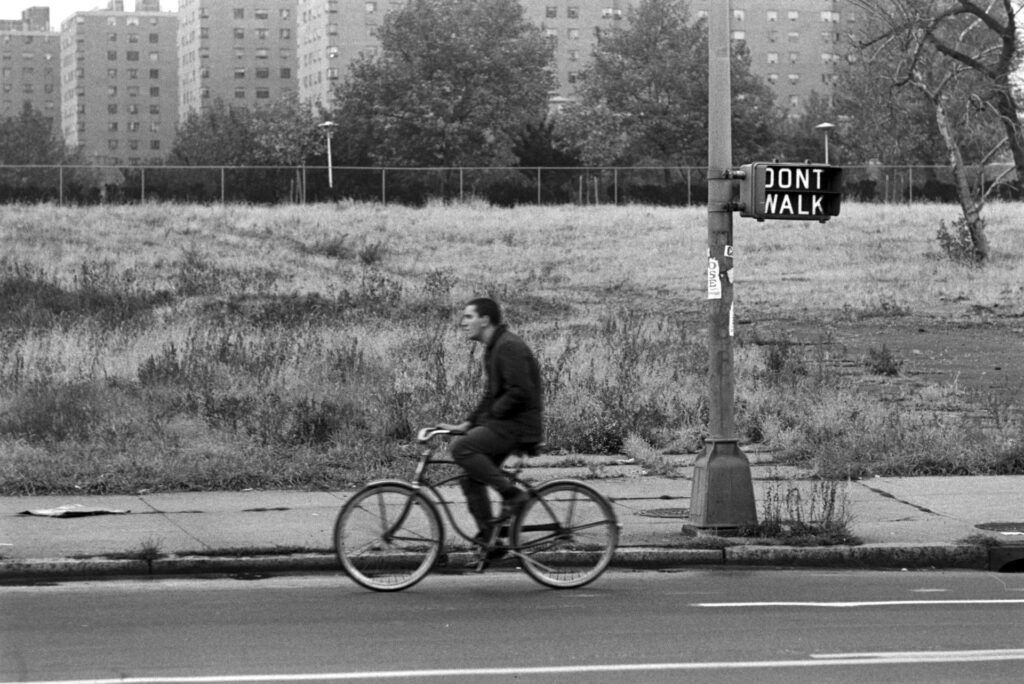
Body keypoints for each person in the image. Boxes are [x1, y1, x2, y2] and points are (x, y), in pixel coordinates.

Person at [436, 297, 543, 543]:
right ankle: (490, 540)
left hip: (518, 427)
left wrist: (489, 416)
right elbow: (490, 395)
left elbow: (520, 391)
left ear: (485, 320)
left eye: (468, 317)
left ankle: (513, 495)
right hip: (506, 423)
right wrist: (468, 423)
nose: (462, 322)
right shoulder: (494, 348)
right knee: (471, 476)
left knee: (461, 448)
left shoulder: (508, 347)